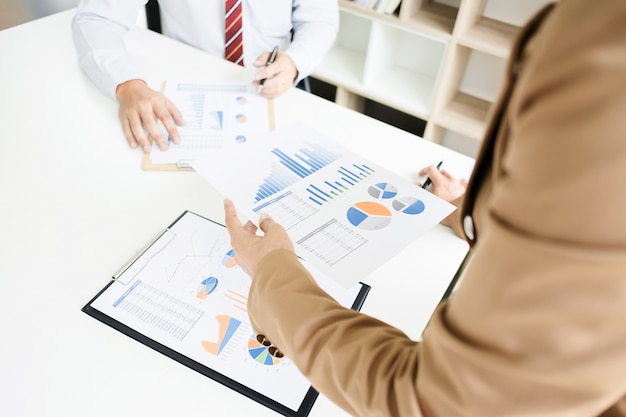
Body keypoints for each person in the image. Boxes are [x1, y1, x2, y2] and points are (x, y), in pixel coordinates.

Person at [224, 0, 626, 415]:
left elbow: (433, 402)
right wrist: (472, 212)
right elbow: (571, 199)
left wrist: (273, 273)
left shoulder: (608, 56)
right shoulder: (595, 26)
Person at [71, 0, 338, 153]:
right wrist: (126, 84)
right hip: (186, 96)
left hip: (275, 87)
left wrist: (295, 61)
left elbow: (319, 21)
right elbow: (95, 17)